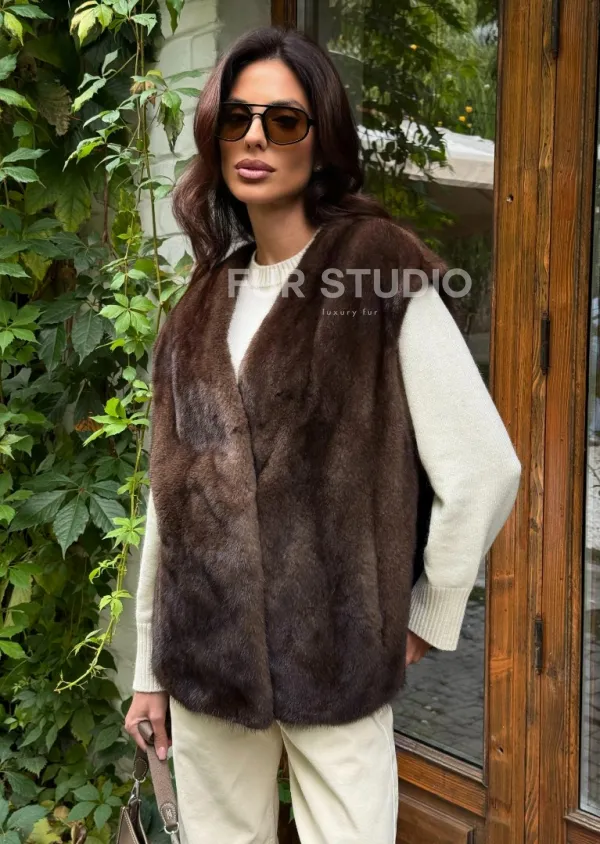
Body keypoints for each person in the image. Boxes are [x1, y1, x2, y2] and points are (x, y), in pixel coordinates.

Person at [124, 24, 521, 844]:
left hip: (334, 661)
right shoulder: (199, 302)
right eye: (238, 119)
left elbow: (484, 467)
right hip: (205, 664)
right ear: (214, 135)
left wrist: (423, 616)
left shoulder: (375, 268)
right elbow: (172, 500)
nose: (256, 139)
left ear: (322, 138)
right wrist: (148, 669)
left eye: (284, 120)